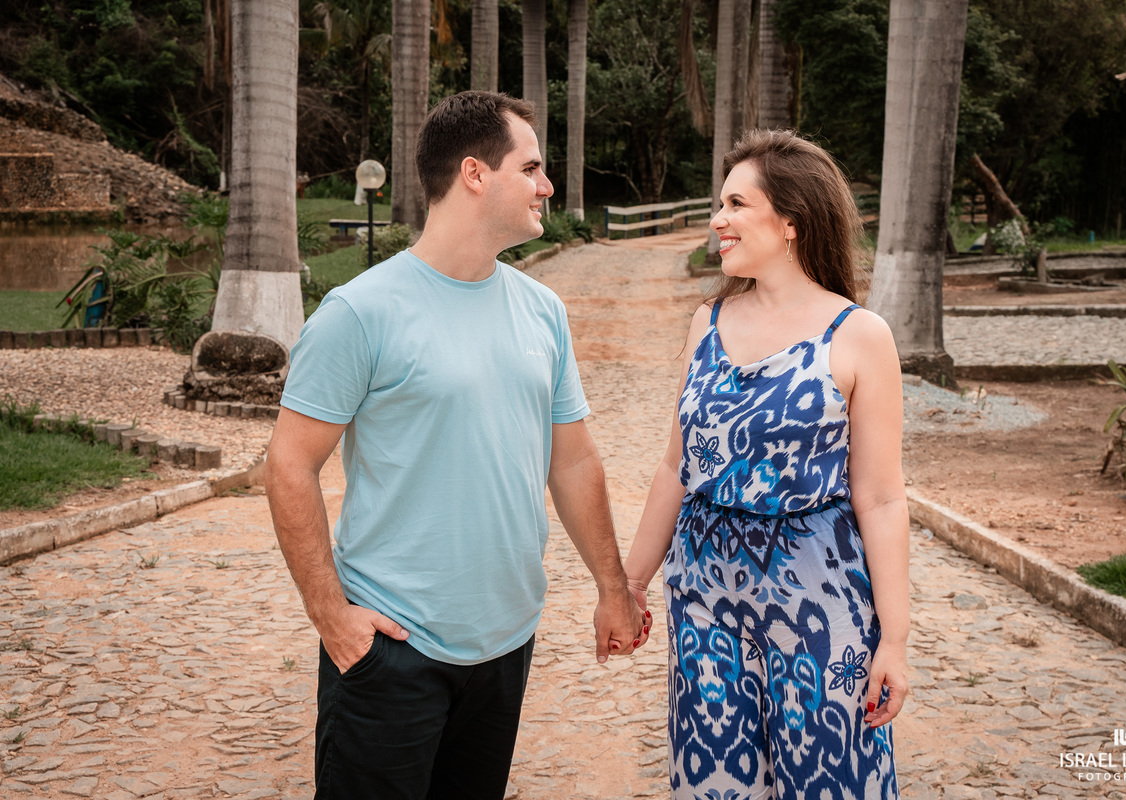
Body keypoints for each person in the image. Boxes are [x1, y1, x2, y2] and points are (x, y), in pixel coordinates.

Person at [264, 90, 647, 800]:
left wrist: (612, 588)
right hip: (391, 652)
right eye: (531, 168)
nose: (547, 185)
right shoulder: (360, 312)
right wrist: (333, 619)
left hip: (505, 646)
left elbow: (573, 460)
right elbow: (288, 464)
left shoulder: (543, 310)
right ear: (476, 174)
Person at [623, 129, 910, 799]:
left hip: (817, 594)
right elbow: (677, 468)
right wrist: (631, 581)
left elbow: (882, 499)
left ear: (790, 222)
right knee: (715, 778)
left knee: (828, 777)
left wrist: (893, 640)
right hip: (703, 596)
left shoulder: (860, 336)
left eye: (735, 204)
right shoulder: (708, 321)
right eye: (718, 205)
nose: (717, 221)